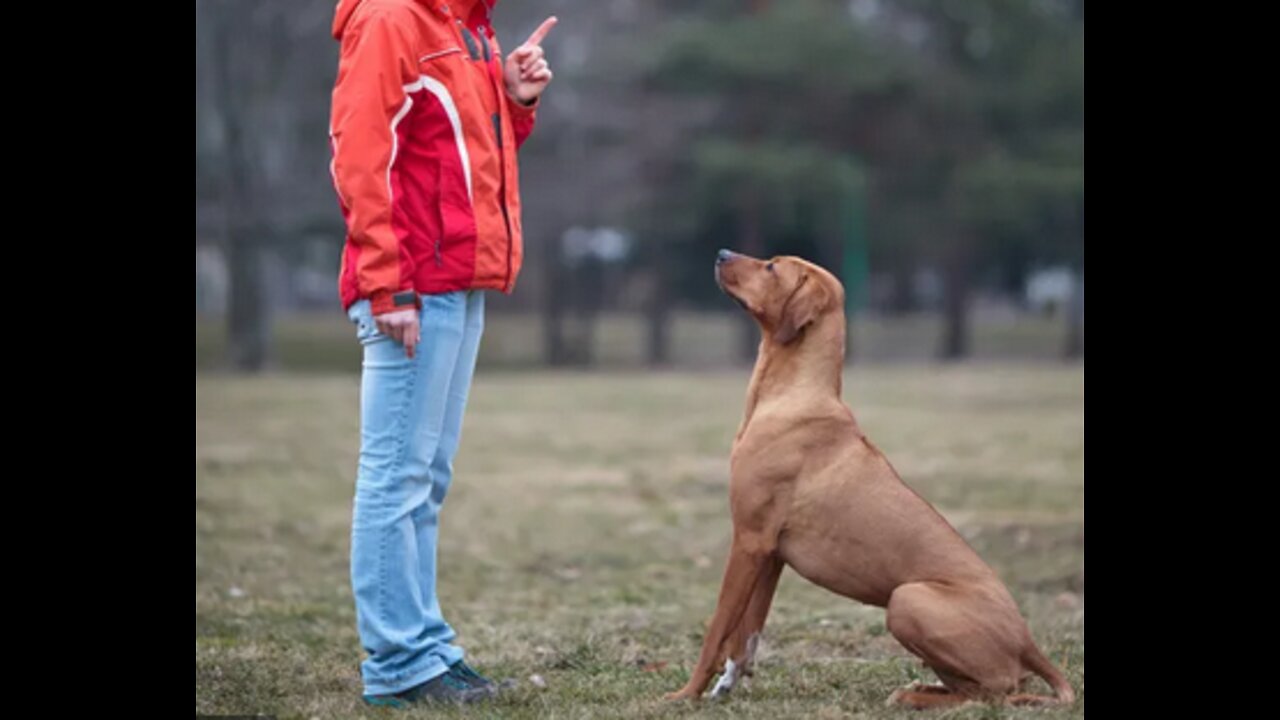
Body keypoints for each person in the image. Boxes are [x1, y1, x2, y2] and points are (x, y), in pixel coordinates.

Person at [327, 0, 554, 706]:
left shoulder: (466, 27)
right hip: (413, 289)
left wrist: (513, 102)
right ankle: (398, 664)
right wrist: (385, 283)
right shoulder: (394, 18)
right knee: (396, 478)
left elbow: (461, 163)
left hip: (457, 282)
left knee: (425, 477)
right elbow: (359, 151)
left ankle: (425, 648)